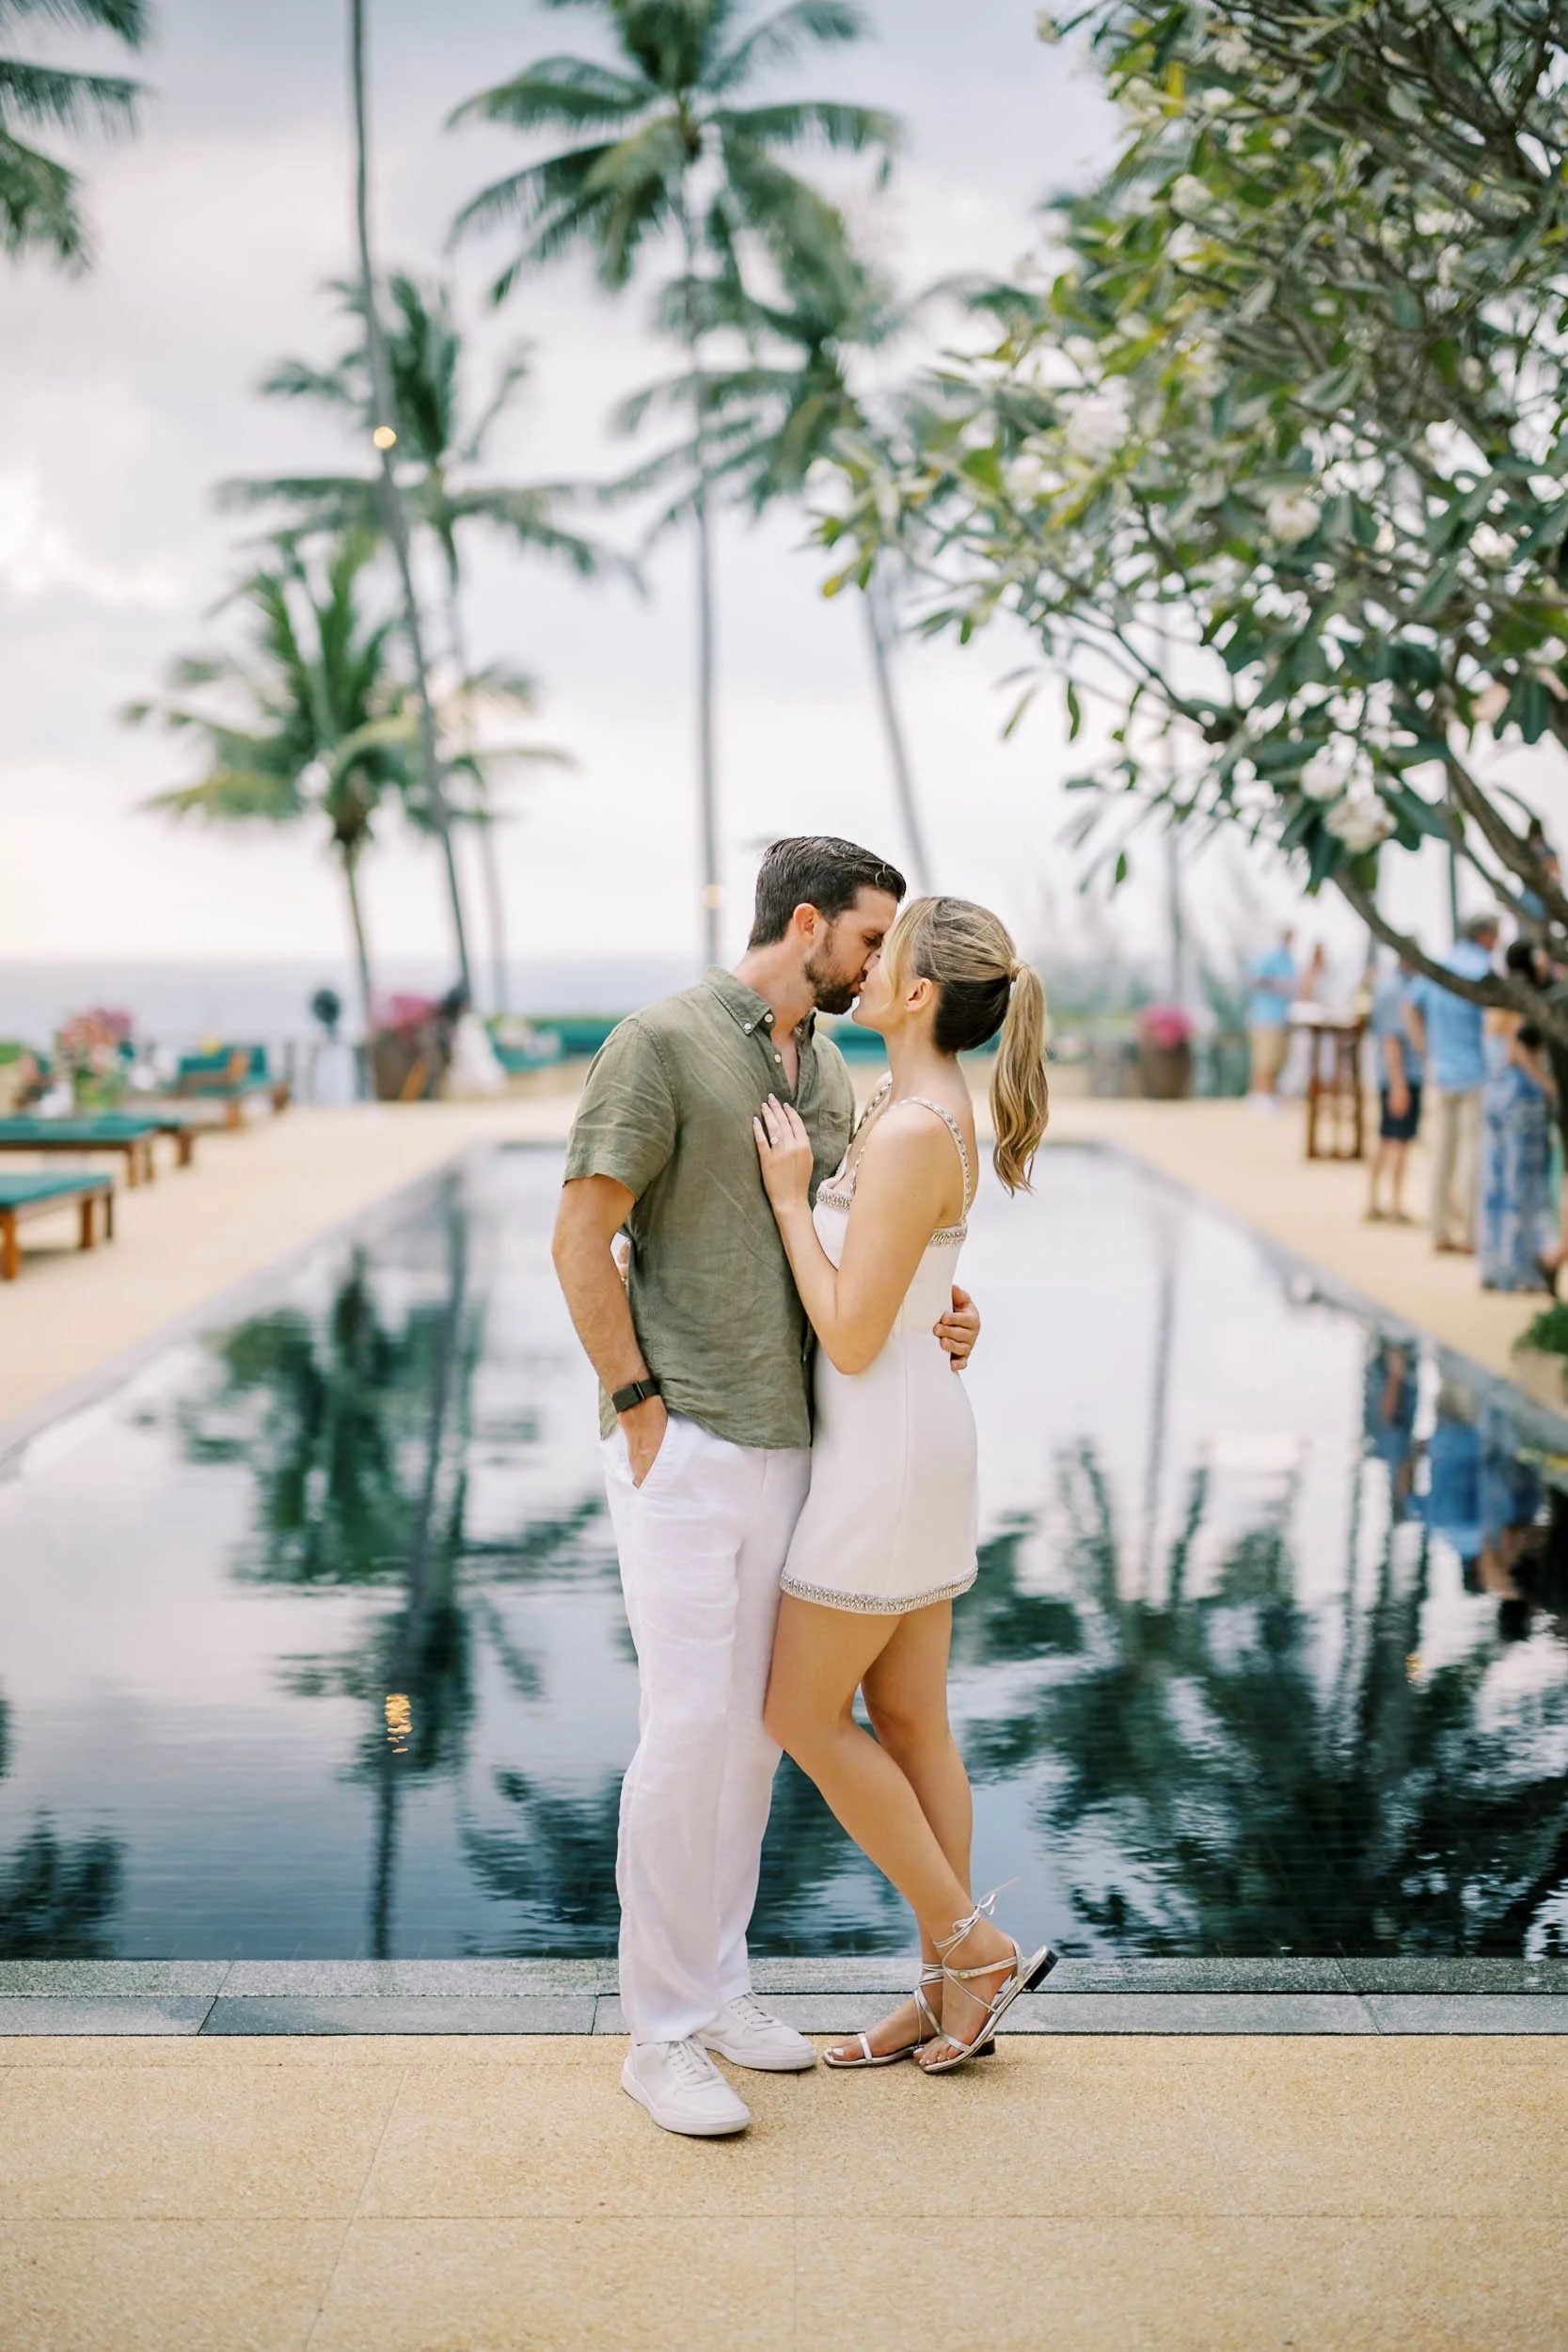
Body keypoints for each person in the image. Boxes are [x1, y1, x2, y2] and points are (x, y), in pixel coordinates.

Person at [551, 838, 981, 2139]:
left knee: (752, 1735)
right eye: (866, 940)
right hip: (687, 1448)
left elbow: (869, 1250)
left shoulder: (827, 1066)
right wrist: (636, 1410)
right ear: (806, 926)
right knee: (686, 1734)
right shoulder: (659, 1042)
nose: (875, 965)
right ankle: (658, 2036)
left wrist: (944, 1315)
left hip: (806, 1449)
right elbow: (580, 1234)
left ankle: (719, 1990)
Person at [754, 896, 1055, 2077]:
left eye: (888, 952)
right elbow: (912, 1292)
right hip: (913, 1437)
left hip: (881, 1459)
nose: (866, 964)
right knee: (913, 1719)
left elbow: (848, 1330)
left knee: (798, 1714)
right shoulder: (918, 1108)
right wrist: (947, 1314)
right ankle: (943, 1993)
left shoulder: (910, 1129)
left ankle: (969, 1948)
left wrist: (787, 1198)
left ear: (920, 992)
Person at [1407, 914, 1499, 1253]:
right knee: (1471, 1155)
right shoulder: (1482, 970)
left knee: (1442, 1154)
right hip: (1475, 1071)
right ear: (1485, 936)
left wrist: (1425, 1049)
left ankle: (1439, 1230)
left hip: (1441, 1071)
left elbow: (1409, 1006)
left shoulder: (1439, 966)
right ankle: (1470, 1234)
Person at [1478, 939, 1555, 1292]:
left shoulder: (1495, 997)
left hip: (1494, 1096)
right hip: (1520, 1099)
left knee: (1495, 1184)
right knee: (1521, 1187)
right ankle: (1519, 1268)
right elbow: (1518, 1050)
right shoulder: (1522, 1001)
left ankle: (1493, 1265)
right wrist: (1549, 1085)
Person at [1366, 953, 1423, 1222]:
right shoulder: (1394, 991)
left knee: (1389, 1138)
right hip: (1400, 1075)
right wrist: (1398, 1084)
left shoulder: (1401, 986)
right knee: (1397, 1140)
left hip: (1398, 1075)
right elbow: (1391, 1040)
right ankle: (1391, 1203)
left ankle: (1377, 1199)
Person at [1245, 925, 1296, 1106]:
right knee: (1264, 1059)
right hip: (1265, 1017)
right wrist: (1277, 984)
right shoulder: (1269, 957)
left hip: (1282, 1018)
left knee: (1277, 1059)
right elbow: (1255, 980)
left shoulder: (1289, 960)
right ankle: (1259, 1096)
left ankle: (1270, 1095)